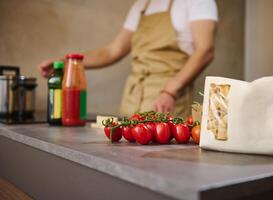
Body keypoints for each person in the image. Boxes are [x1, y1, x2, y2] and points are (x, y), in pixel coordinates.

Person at [38, 0, 218, 118]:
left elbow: (205, 50)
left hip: (166, 101)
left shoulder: (198, 2)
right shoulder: (142, 6)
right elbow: (112, 51)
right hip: (131, 101)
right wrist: (67, 62)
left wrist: (170, 91)